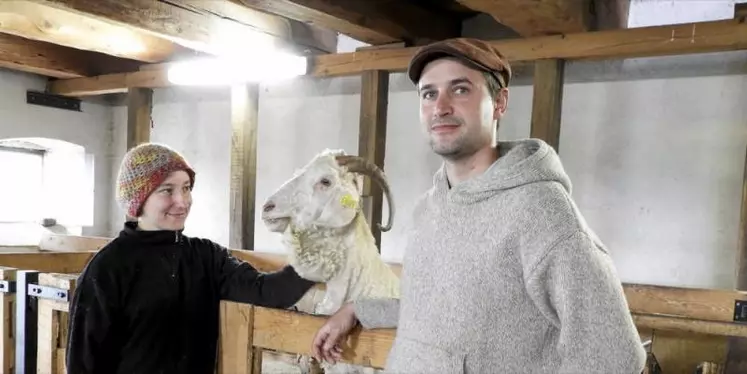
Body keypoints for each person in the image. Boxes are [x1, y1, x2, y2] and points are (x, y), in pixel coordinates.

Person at [310, 38, 647, 373]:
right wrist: (358, 310)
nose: (440, 107)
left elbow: (615, 354)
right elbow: (434, 307)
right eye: (429, 94)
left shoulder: (540, 210)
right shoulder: (427, 208)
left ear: (499, 102)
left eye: (460, 90)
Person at [66, 143, 317, 374]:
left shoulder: (207, 256)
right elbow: (84, 364)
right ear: (138, 200)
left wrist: (320, 255)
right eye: (167, 190)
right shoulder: (108, 268)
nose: (182, 201)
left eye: (186, 188)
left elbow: (267, 291)